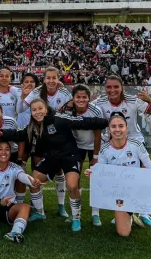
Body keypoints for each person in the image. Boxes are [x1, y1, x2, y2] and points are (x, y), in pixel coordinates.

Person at [0, 98, 108, 232]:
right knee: (33, 181)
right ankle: (40, 212)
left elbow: (84, 122)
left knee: (72, 186)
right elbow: (20, 134)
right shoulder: (33, 126)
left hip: (70, 156)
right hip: (51, 158)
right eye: (34, 110)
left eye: (40, 108)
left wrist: (108, 122)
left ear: (46, 109)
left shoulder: (59, 119)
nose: (37, 112)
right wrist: (2, 133)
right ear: (31, 112)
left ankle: (76, 218)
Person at [85, 113, 151, 247]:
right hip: (121, 195)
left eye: (121, 126)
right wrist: (93, 173)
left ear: (126, 128)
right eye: (113, 126)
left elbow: (149, 164)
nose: (117, 129)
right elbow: (101, 171)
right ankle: (130, 215)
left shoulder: (136, 144)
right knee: (123, 233)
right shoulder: (104, 150)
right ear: (109, 129)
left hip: (139, 190)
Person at [93, 75, 151, 227]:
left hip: (134, 141)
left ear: (122, 88)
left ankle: (144, 213)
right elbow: (83, 107)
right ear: (105, 88)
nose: (112, 90)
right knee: (117, 179)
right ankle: (123, 212)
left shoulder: (132, 100)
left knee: (142, 174)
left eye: (116, 87)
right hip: (112, 143)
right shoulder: (99, 103)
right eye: (109, 87)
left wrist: (149, 99)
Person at [18, 67, 72, 218]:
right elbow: (20, 109)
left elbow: (72, 106)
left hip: (57, 135)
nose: (51, 81)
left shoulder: (64, 92)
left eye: (54, 78)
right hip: (38, 134)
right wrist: (23, 95)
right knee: (37, 167)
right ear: (44, 79)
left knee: (59, 169)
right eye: (48, 78)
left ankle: (61, 206)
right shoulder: (37, 92)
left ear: (58, 78)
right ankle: (38, 207)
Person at [60, 84, 104, 226]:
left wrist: (96, 157)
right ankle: (76, 213)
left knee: (95, 178)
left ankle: (95, 214)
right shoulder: (67, 110)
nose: (81, 100)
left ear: (89, 98)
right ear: (72, 98)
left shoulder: (95, 110)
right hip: (76, 146)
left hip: (93, 146)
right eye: (78, 97)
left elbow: (97, 136)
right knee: (75, 178)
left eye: (84, 97)